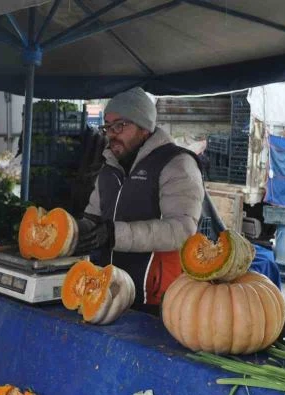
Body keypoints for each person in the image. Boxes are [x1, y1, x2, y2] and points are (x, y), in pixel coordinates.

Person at [76, 87, 204, 312]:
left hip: (156, 299)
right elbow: (92, 217)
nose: (111, 134)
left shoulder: (177, 163)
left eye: (120, 126)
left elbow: (182, 231)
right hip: (107, 292)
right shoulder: (109, 166)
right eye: (108, 126)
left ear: (144, 128)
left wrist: (115, 234)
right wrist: (69, 230)